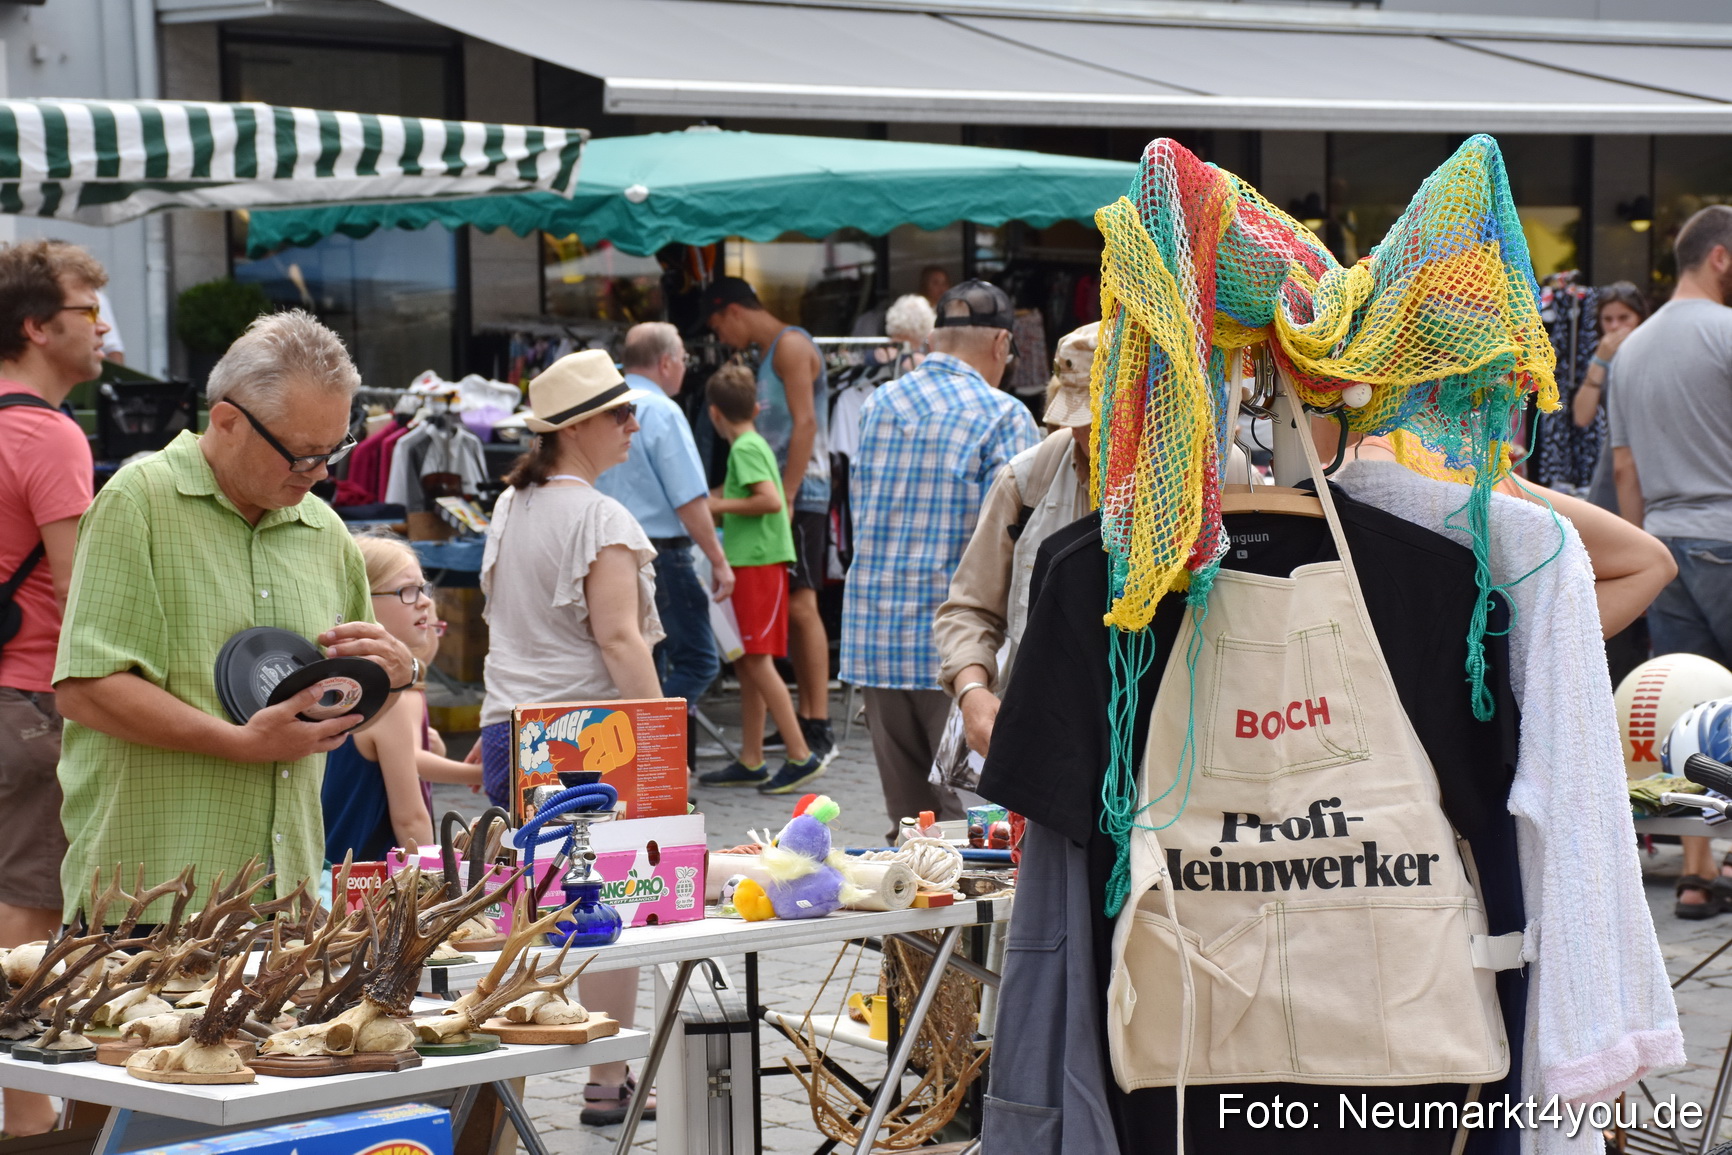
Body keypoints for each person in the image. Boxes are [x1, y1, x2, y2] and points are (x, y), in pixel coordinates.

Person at [53, 311, 415, 926]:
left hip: (285, 898)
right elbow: (87, 689)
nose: (321, 474)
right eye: (303, 455)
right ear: (226, 421)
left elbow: (342, 708)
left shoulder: (323, 530)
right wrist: (242, 744)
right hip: (150, 895)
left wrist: (393, 676)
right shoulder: (136, 501)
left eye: (335, 451)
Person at [475, 348, 657, 1125]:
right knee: (611, 909)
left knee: (522, 915)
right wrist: (660, 743)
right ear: (579, 426)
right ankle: (606, 1078)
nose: (633, 423)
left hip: (506, 729)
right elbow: (621, 641)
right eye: (620, 413)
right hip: (584, 742)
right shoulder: (599, 515)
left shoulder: (512, 504)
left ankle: (497, 1091)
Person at [840, 280, 1039, 838]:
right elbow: (1012, 549)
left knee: (908, 825)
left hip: (874, 639)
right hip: (953, 652)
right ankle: (951, 929)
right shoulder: (1003, 415)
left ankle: (910, 925)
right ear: (1002, 343)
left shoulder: (879, 402)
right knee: (972, 828)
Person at [0, 239, 108, 1138]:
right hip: (34, 696)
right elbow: (77, 591)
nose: (103, 326)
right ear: (38, 326)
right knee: (30, 908)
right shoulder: (49, 433)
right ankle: (29, 1117)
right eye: (86, 310)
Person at [1611, 204, 1732, 919]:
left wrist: (1641, 554)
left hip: (1664, 544)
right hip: (1726, 530)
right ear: (1719, 256)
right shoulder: (1724, 332)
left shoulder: (1632, 349)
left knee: (1694, 709)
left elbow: (1624, 469)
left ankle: (1696, 874)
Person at [936, 322, 1098, 758]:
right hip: (1048, 736)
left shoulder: (1216, 472)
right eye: (1079, 420)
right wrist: (972, 690)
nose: (1091, 436)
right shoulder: (1029, 477)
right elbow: (969, 609)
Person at [702, 277, 834, 764]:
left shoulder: (791, 345)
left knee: (801, 604)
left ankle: (816, 724)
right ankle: (794, 721)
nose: (721, 337)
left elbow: (806, 422)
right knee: (783, 615)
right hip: (780, 486)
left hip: (800, 488)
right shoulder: (769, 352)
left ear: (733, 311)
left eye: (719, 325)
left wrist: (791, 492)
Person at [595, 322, 734, 775]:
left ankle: (644, 757)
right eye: (684, 361)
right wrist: (717, 559)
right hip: (660, 553)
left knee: (642, 658)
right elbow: (689, 497)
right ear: (667, 362)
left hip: (607, 548)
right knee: (697, 659)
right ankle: (650, 743)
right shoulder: (661, 410)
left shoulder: (604, 404)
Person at [696, 364, 822, 793]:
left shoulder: (744, 449)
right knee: (748, 662)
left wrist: (716, 507)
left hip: (757, 562)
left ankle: (800, 754)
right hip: (756, 560)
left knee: (756, 661)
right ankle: (751, 758)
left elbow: (767, 499)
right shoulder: (754, 444)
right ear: (755, 406)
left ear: (714, 414)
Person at [321, 534, 445, 864]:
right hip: (373, 883)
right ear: (362, 598)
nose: (424, 602)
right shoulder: (387, 695)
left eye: (423, 588)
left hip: (329, 874)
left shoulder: (330, 681)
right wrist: (432, 889)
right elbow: (411, 820)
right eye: (406, 591)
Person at [1572, 281, 1648, 430]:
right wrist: (1599, 361)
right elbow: (1581, 417)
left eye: (1623, 318)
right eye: (1607, 319)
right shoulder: (1603, 355)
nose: (1614, 326)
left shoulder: (1653, 350)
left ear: (1639, 318)